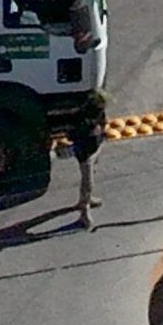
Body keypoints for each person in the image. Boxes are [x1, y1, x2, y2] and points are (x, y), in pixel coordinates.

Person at [70, 91, 108, 228]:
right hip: (85, 153)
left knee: (91, 175)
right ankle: (84, 212)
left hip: (95, 147)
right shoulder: (83, 119)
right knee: (87, 182)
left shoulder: (99, 112)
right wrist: (92, 130)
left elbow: (103, 123)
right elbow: (73, 134)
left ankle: (86, 200)